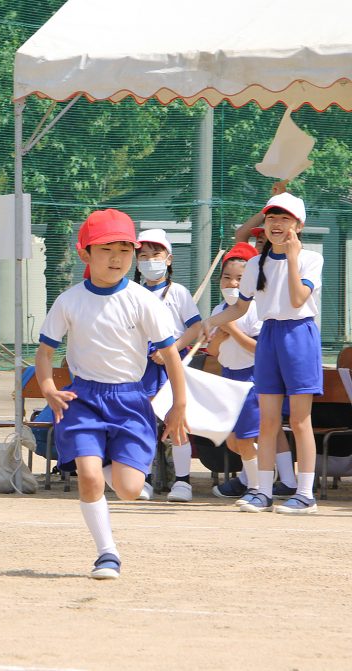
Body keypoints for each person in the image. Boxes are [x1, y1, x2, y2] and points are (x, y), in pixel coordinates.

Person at [36, 208, 188, 580]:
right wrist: (48, 387)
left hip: (131, 401)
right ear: (85, 254)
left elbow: (171, 356)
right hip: (84, 398)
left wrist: (179, 404)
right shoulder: (69, 300)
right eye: (106, 248)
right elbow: (45, 352)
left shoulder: (143, 301)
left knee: (131, 489)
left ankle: (105, 462)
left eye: (125, 248)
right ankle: (107, 553)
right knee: (88, 477)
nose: (118, 257)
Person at [205, 193, 323, 514]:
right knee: (268, 421)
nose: (276, 224)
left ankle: (305, 494)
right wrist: (210, 322)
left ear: (298, 225)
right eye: (272, 218)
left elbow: (298, 299)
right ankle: (263, 490)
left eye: (285, 219)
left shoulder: (311, 259)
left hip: (300, 335)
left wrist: (294, 257)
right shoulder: (256, 262)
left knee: (299, 421)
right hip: (269, 335)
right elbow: (241, 307)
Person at [133, 228, 202, 502]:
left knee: (178, 421)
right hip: (143, 365)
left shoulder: (179, 292)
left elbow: (195, 327)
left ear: (169, 259)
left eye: (156, 254)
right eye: (144, 256)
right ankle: (144, 479)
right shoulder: (133, 292)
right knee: (145, 422)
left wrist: (169, 348)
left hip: (173, 363)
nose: (150, 260)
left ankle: (183, 482)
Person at [206, 243, 263, 499]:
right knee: (232, 441)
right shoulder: (218, 310)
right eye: (227, 278)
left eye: (240, 279)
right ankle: (260, 472)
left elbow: (259, 350)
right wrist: (219, 336)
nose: (232, 283)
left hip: (250, 379)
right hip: (227, 378)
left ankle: (256, 487)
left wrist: (233, 330)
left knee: (244, 439)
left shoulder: (256, 309)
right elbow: (213, 351)